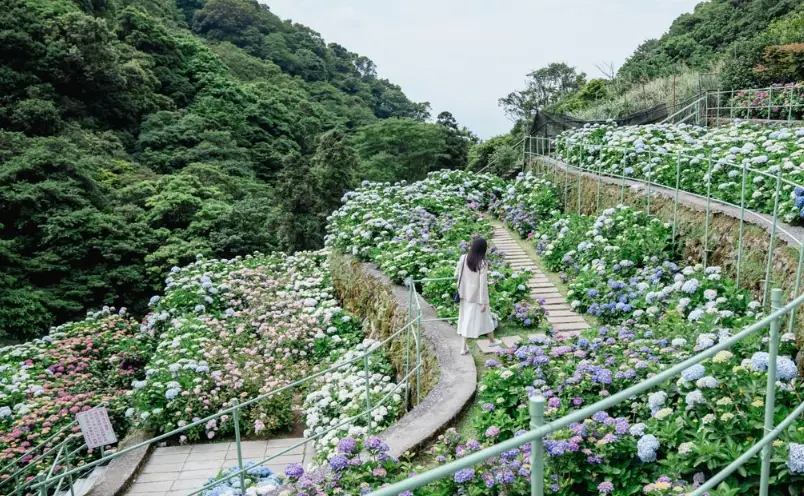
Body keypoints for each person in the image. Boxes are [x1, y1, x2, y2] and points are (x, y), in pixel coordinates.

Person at [455, 237, 497, 355]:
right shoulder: (482, 263)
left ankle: (491, 340)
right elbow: (482, 284)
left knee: (470, 318)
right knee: (478, 319)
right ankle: (465, 347)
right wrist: (484, 302)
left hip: (464, 293)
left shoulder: (464, 258)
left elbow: (456, 274)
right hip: (477, 296)